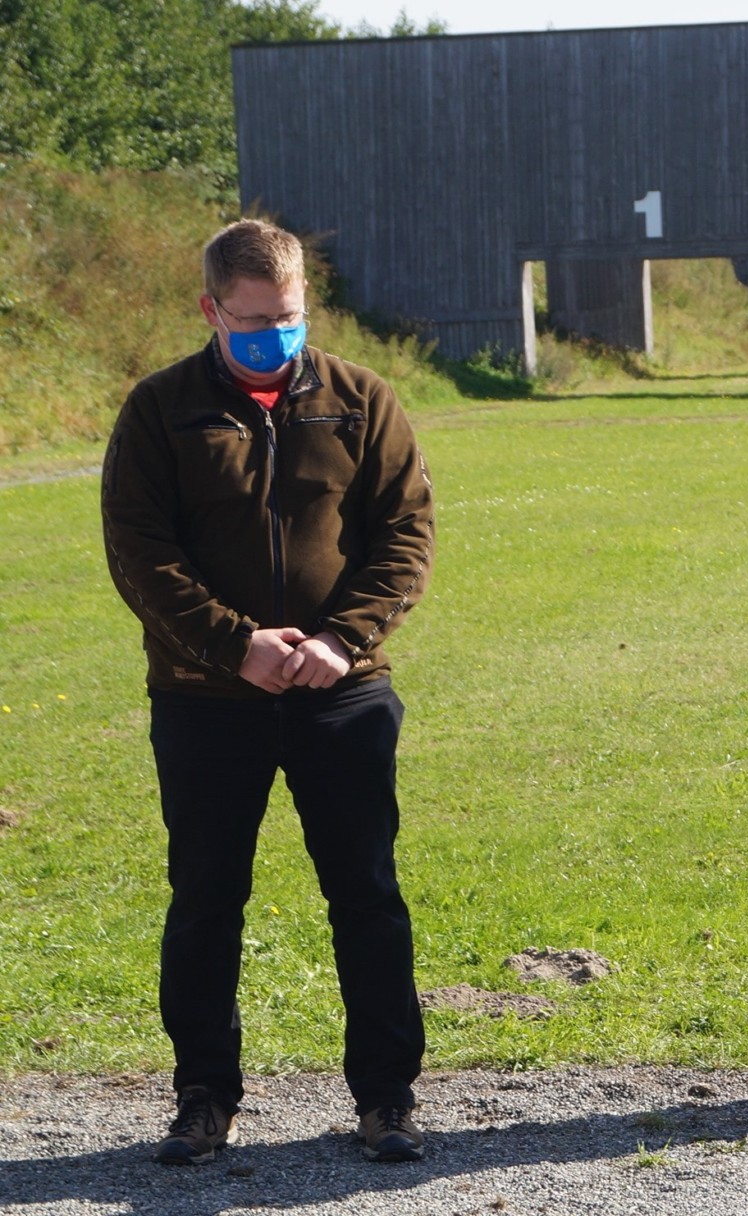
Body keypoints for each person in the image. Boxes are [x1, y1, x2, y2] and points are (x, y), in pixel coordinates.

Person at [100, 219, 435, 1165]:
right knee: (205, 897)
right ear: (211, 310)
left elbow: (405, 537)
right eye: (250, 320)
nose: (271, 335)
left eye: (286, 317)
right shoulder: (158, 410)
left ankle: (387, 1100)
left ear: (305, 306)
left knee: (367, 894)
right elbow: (139, 552)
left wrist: (342, 640)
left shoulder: (363, 401)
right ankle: (204, 1097)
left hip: (344, 693)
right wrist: (232, 646)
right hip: (207, 700)